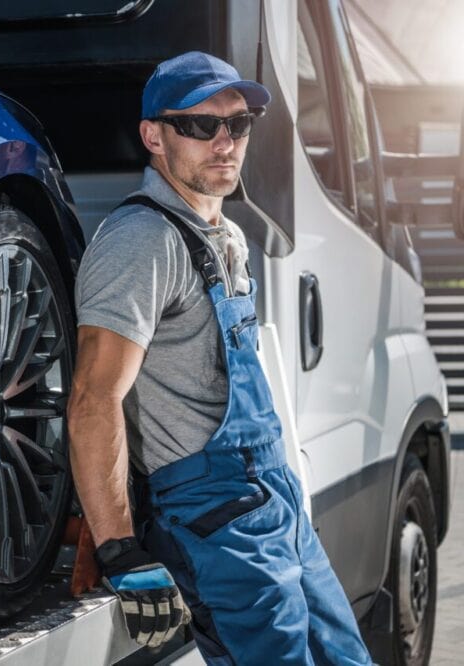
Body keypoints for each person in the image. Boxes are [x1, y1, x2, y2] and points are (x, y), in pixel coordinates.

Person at [67, 51, 372, 665]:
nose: (225, 142)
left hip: (272, 499)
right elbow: (94, 400)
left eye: (237, 125)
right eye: (201, 126)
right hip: (215, 522)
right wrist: (116, 547)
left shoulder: (225, 236)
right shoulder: (141, 241)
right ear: (154, 135)